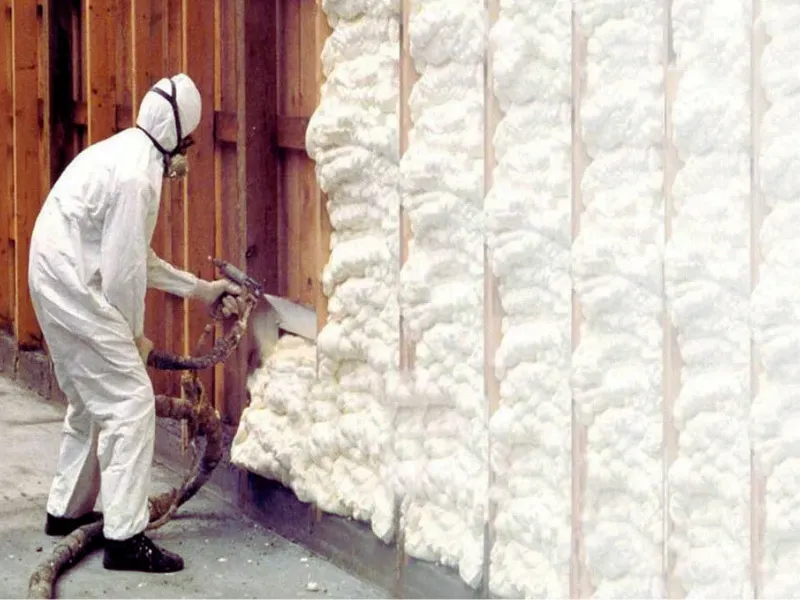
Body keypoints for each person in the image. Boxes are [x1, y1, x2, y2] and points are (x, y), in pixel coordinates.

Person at [27, 73, 242, 573]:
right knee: (130, 400)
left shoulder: (128, 152)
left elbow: (134, 257)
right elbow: (123, 275)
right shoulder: (137, 176)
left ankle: (67, 511)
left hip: (54, 272)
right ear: (175, 134)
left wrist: (201, 290)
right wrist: (135, 338)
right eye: (189, 140)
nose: (188, 150)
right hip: (72, 281)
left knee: (89, 396)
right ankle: (125, 537)